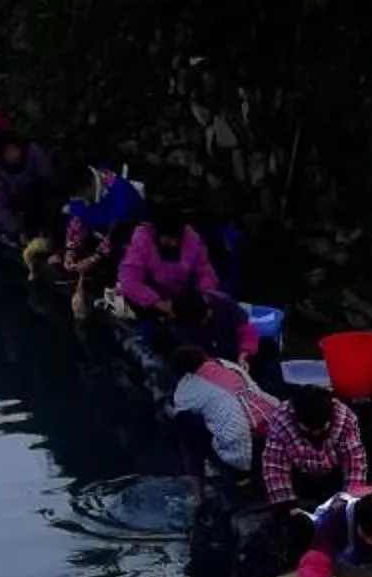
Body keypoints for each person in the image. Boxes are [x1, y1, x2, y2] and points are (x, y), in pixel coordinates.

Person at [167, 339, 285, 483]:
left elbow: (180, 413)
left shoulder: (186, 389)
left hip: (248, 447)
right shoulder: (229, 366)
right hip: (277, 425)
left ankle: (205, 483)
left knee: (185, 421)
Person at [118, 210, 229, 353]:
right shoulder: (142, 239)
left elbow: (206, 271)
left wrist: (203, 297)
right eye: (169, 238)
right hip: (150, 304)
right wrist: (160, 304)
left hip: (184, 300)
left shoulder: (192, 239)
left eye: (177, 238)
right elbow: (129, 281)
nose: (174, 242)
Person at [260, 380, 367, 512]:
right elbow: (274, 467)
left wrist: (349, 502)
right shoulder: (281, 420)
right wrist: (287, 507)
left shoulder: (345, 418)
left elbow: (354, 463)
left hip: (334, 472)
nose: (316, 434)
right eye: (309, 430)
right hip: (300, 473)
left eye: (322, 429)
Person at [59, 165, 144, 321]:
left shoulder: (120, 193)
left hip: (132, 240)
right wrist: (70, 250)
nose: (81, 200)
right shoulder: (80, 195)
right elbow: (77, 220)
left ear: (90, 184)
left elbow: (118, 233)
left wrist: (95, 259)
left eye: (81, 195)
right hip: (102, 234)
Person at [0, 128, 60, 257]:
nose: (14, 154)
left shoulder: (31, 150)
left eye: (15, 149)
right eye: (8, 152)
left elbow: (48, 177)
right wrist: (17, 230)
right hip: (14, 204)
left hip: (38, 193)